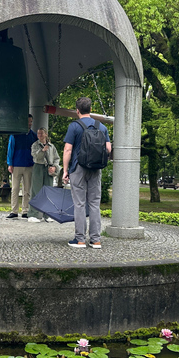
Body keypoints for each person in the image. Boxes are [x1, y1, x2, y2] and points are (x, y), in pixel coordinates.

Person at [62, 97, 111, 248]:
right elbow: (108, 149)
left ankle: (80, 239)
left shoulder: (74, 126)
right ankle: (96, 240)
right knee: (95, 203)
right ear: (90, 109)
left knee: (80, 204)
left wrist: (65, 171)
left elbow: (68, 149)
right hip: (96, 169)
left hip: (79, 168)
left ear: (77, 110)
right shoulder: (101, 127)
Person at [6, 114, 36, 219]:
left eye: (31, 121)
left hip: (29, 165)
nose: (30, 124)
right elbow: (11, 149)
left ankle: (25, 210)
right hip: (17, 164)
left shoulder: (34, 135)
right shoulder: (15, 134)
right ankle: (14, 210)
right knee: (15, 188)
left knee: (27, 189)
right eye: (28, 121)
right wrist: (10, 163)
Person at [28, 127, 61, 223]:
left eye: (41, 133)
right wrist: (42, 151)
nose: (39, 135)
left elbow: (56, 158)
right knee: (36, 190)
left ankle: (48, 214)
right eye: (38, 134)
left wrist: (54, 167)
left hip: (48, 169)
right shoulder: (35, 145)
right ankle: (33, 214)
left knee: (48, 191)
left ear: (46, 134)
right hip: (38, 167)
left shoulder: (52, 146)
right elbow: (34, 156)